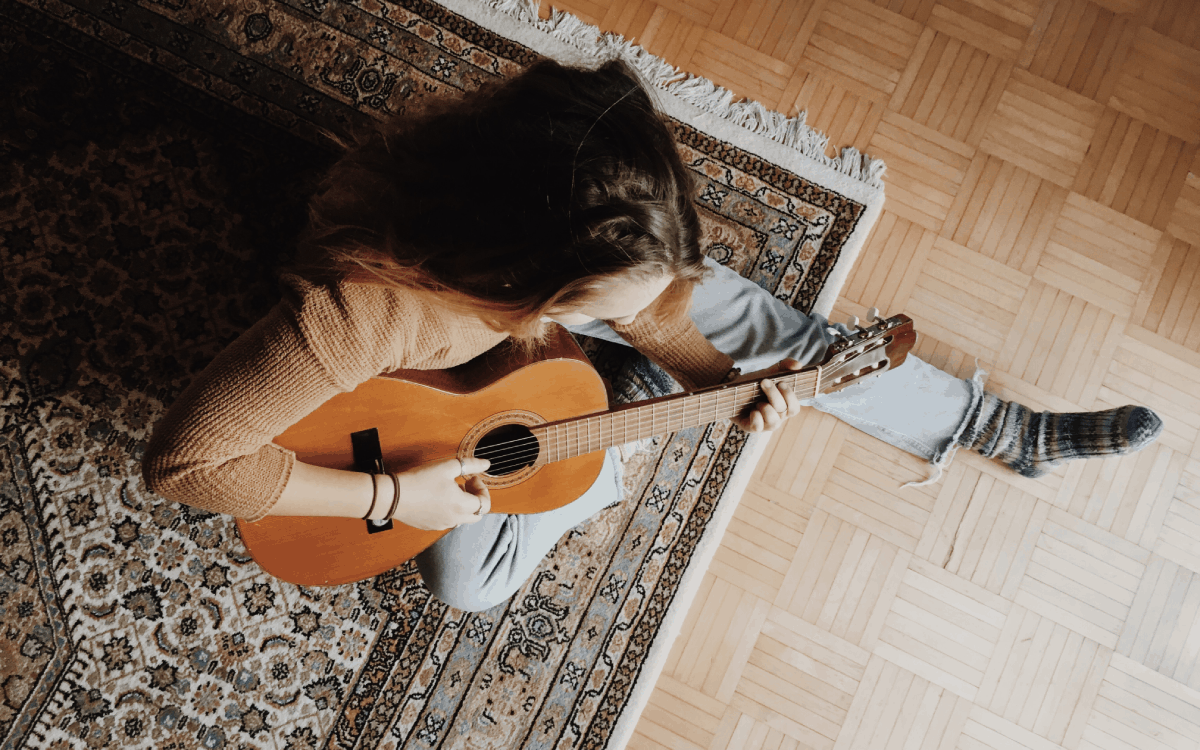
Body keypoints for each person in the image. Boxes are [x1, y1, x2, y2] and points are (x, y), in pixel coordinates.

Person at [142, 58, 1162, 612]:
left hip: (532, 333)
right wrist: (391, 494)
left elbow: (668, 319)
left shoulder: (592, 210)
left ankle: (990, 427)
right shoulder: (365, 315)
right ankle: (589, 449)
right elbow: (187, 463)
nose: (645, 302)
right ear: (518, 275)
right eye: (607, 295)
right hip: (440, 392)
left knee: (771, 339)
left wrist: (727, 385)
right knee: (470, 584)